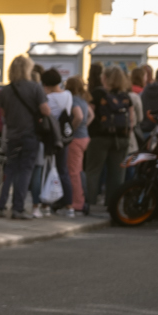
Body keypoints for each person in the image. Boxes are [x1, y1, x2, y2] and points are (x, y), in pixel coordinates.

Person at [0, 55, 48, 219]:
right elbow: (46, 110)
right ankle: (18, 208)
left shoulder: (5, 91)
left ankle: (0, 206)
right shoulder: (34, 88)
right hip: (29, 135)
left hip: (12, 135)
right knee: (25, 171)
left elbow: (3, 114)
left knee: (9, 170)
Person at [39, 68, 73, 213]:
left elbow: (46, 114)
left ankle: (46, 202)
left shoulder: (49, 98)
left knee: (47, 169)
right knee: (63, 170)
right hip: (63, 137)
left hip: (50, 136)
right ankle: (69, 205)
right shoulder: (68, 95)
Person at [64, 75, 92, 215]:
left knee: (73, 172)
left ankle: (77, 202)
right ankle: (80, 199)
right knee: (79, 170)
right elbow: (90, 115)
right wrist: (84, 127)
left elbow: (79, 116)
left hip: (75, 139)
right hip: (85, 137)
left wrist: (71, 130)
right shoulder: (83, 100)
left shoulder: (73, 100)